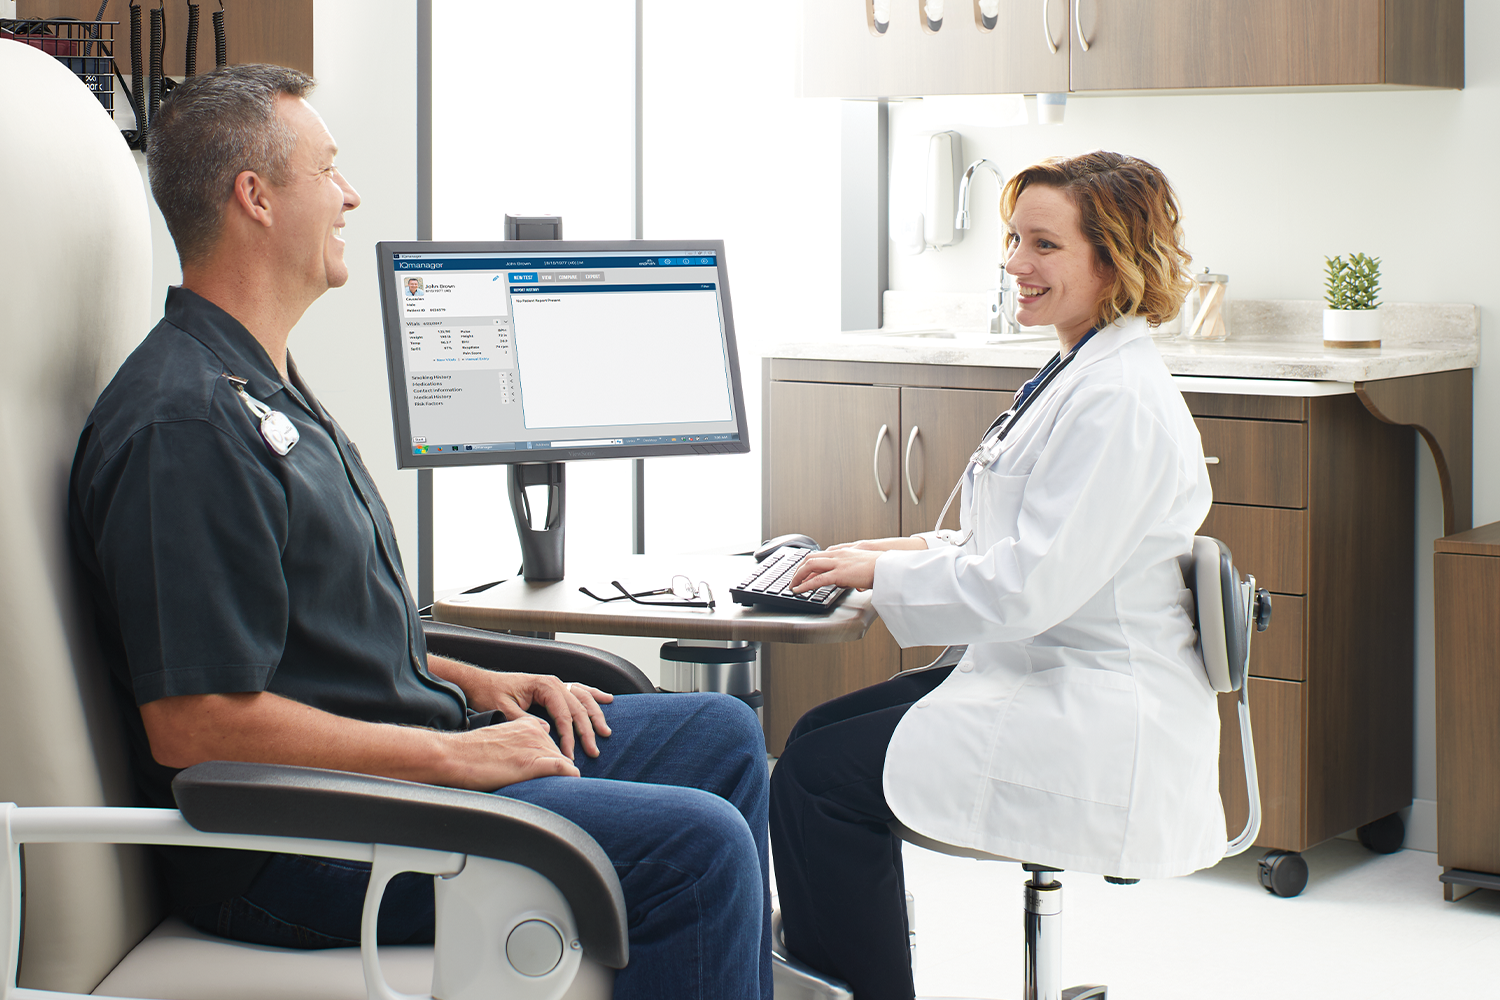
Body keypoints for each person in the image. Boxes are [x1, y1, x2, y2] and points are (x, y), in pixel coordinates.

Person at [68, 64, 770, 1000]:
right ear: (256, 197)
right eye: (328, 170)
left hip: (392, 769)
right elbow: (197, 724)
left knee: (722, 734)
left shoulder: (256, 385)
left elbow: (320, 638)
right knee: (698, 849)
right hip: (296, 845)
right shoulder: (185, 426)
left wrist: (475, 681)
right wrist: (456, 757)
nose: (350, 194)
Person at [770, 151, 1218, 1000]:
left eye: (1043, 245)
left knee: (817, 785)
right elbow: (1007, 543)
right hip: (1039, 667)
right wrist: (886, 555)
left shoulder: (1118, 399)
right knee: (813, 740)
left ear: (1112, 260)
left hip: (1092, 704)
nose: (1014, 262)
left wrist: (880, 582)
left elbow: (1023, 589)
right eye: (1014, 239)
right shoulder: (1076, 371)